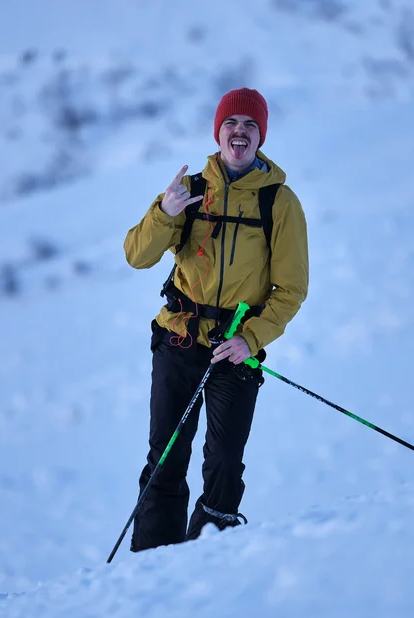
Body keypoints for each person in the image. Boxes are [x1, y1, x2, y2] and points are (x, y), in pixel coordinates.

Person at [122, 87, 309, 552]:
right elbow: (136, 255)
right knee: (166, 458)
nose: (239, 132)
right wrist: (164, 213)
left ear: (260, 137)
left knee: (224, 462)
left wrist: (251, 339)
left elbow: (291, 290)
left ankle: (209, 565)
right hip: (180, 339)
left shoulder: (279, 204)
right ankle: (148, 567)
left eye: (249, 125)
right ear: (218, 132)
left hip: (236, 348)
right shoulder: (191, 192)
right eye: (231, 123)